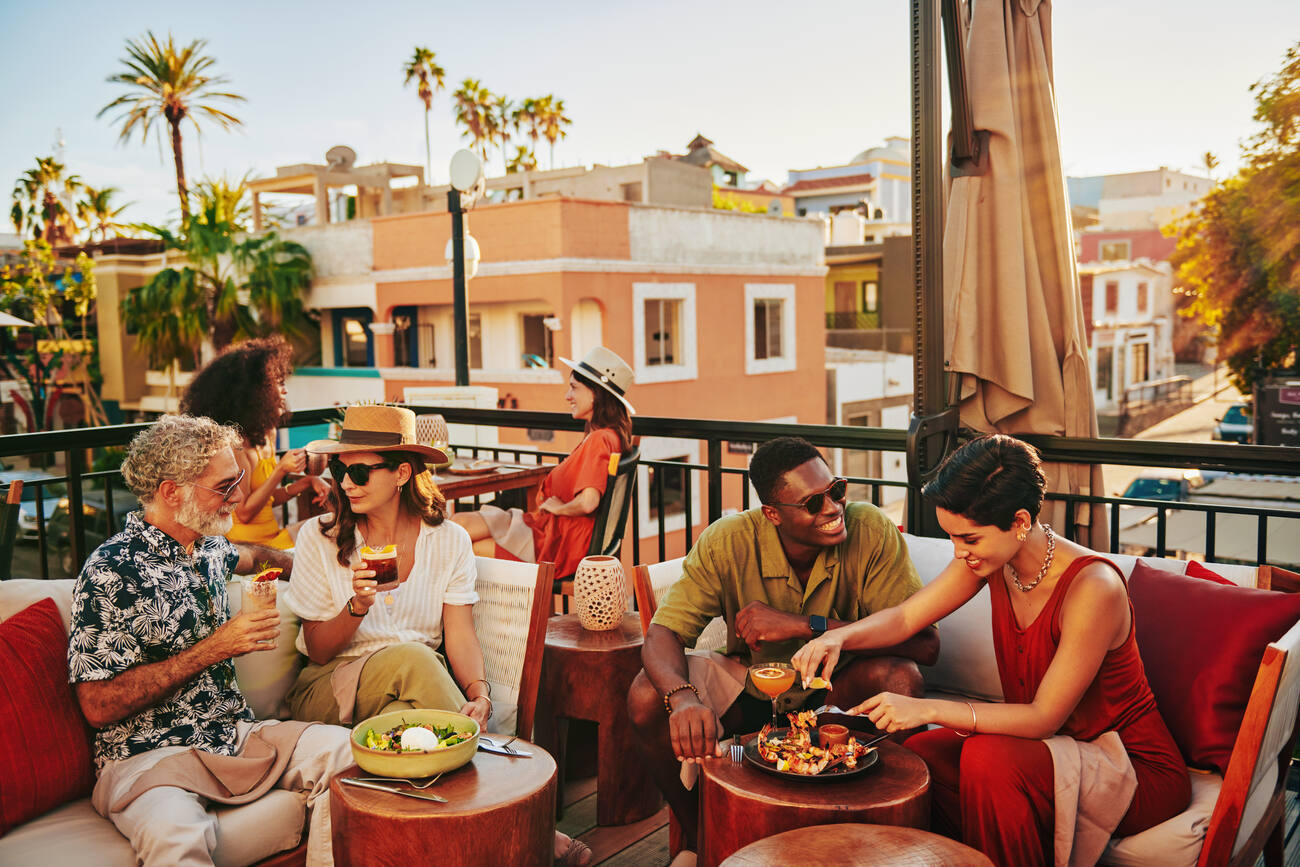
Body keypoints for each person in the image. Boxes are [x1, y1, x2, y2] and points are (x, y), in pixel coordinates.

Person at [793, 434, 1191, 866]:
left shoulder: (1093, 588)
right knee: (923, 757)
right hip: (1053, 747)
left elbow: (1044, 717)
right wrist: (836, 637)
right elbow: (909, 618)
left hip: (1127, 764)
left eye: (969, 539)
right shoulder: (993, 560)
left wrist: (926, 710)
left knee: (987, 759)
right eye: (952, 538)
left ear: (1020, 521)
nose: (959, 552)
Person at [282, 404, 592, 866]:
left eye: (361, 472)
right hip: (330, 683)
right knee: (414, 658)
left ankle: (452, 843)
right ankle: (528, 825)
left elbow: (460, 632)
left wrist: (480, 694)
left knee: (411, 727)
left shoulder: (447, 541)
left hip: (416, 685)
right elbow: (321, 649)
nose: (345, 483)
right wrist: (358, 606)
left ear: (403, 472)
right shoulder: (319, 538)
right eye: (343, 469)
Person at [67, 415, 353, 867]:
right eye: (224, 486)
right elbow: (98, 705)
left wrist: (339, 556)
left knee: (347, 755)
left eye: (237, 479)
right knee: (176, 837)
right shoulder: (111, 569)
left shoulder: (207, 548)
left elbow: (261, 556)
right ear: (171, 492)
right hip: (148, 755)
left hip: (231, 736)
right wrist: (219, 645)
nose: (239, 496)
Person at [628, 436, 939, 851]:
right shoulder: (729, 541)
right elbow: (662, 633)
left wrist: (803, 625)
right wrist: (683, 698)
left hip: (837, 690)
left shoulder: (870, 528)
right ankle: (700, 841)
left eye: (836, 491)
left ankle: (876, 842)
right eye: (813, 503)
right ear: (772, 513)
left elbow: (926, 646)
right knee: (648, 696)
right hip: (752, 689)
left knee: (901, 679)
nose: (833, 508)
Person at [452, 346, 634, 576]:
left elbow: (588, 502)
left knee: (465, 541)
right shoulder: (606, 436)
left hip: (554, 543)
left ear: (596, 394)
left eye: (574, 388)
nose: (568, 396)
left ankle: (432, 603)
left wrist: (560, 509)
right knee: (458, 526)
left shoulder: (600, 440)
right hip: (546, 530)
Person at [180, 335, 331, 551]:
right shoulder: (235, 446)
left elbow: (265, 501)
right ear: (253, 393)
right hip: (249, 548)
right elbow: (245, 512)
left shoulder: (266, 435)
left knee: (333, 527)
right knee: (328, 531)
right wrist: (280, 470)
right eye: (277, 383)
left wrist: (305, 483)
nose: (285, 390)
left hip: (273, 539)